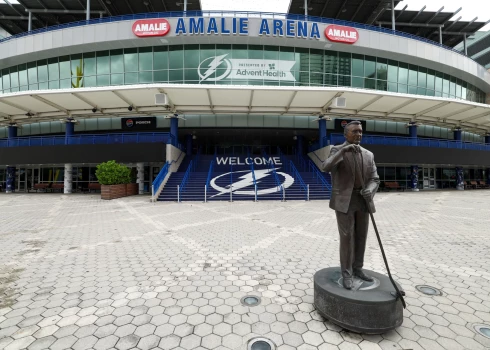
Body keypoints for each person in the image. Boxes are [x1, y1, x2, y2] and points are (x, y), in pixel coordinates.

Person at [322, 121, 380, 290]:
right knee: (347, 238)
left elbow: (374, 178)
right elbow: (325, 167)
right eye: (355, 131)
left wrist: (370, 190)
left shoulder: (368, 154)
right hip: (344, 200)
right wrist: (343, 150)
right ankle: (346, 273)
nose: (359, 134)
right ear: (346, 134)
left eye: (361, 132)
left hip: (362, 200)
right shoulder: (337, 150)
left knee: (361, 236)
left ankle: (358, 268)